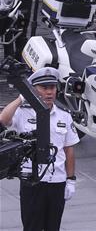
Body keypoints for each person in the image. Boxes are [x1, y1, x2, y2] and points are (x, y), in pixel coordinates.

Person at [0, 67, 79, 231]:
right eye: (44, 88)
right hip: (32, 181)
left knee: (53, 227)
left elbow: (69, 150)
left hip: (57, 181)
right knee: (31, 227)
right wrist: (22, 98)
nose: (49, 92)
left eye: (52, 87)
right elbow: (3, 119)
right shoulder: (23, 112)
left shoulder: (64, 115)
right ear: (34, 90)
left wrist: (71, 180)